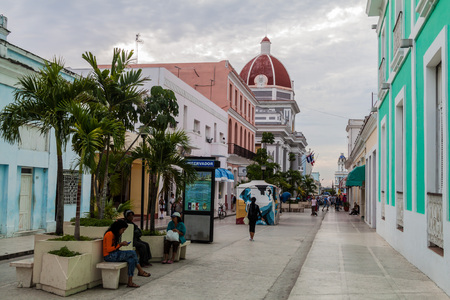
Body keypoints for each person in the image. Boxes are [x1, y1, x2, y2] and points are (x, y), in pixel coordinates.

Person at [103, 219, 150, 288]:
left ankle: (130, 282)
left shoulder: (114, 235)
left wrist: (120, 245)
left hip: (114, 254)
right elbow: (109, 249)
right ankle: (140, 271)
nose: (123, 232)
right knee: (132, 252)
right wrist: (120, 244)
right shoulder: (109, 234)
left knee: (132, 260)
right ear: (118, 228)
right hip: (109, 256)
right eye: (123, 230)